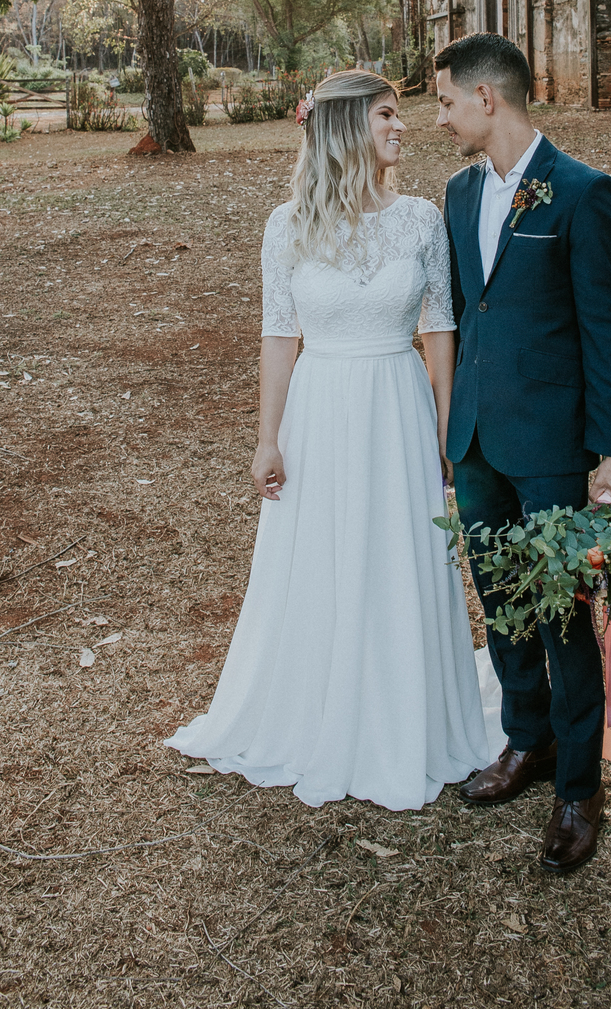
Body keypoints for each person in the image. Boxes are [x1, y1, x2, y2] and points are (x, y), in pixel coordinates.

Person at [167, 70, 489, 809]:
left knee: (399, 551)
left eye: (400, 115)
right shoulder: (287, 226)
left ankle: (405, 709)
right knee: (321, 555)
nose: (401, 127)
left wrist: (445, 425)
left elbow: (440, 328)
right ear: (345, 128)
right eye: (386, 115)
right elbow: (279, 337)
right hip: (320, 411)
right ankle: (318, 706)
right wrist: (267, 439)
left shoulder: (421, 220)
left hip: (398, 407)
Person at [434, 33, 611, 874]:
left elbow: (607, 330)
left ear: (487, 98)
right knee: (500, 600)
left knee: (562, 614)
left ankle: (579, 787)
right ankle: (527, 740)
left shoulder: (583, 192)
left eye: (446, 101)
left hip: (551, 444)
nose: (440, 118)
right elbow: (462, 313)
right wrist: (449, 429)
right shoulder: (457, 193)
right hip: (477, 439)